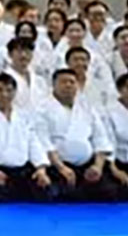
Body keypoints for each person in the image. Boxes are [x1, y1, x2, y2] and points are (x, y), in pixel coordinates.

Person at [0, 74, 54, 200]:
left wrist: (41, 169)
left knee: (46, 191)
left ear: (15, 92)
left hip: (21, 169)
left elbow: (33, 143)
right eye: (0, 90)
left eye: (9, 90)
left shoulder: (24, 116)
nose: (4, 94)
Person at [37, 69, 113, 200]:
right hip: (57, 165)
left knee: (108, 192)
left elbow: (100, 138)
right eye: (63, 82)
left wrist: (97, 166)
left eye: (72, 82)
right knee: (55, 194)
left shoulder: (87, 108)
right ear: (53, 85)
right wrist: (61, 168)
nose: (68, 85)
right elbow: (44, 142)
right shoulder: (42, 108)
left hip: (87, 165)